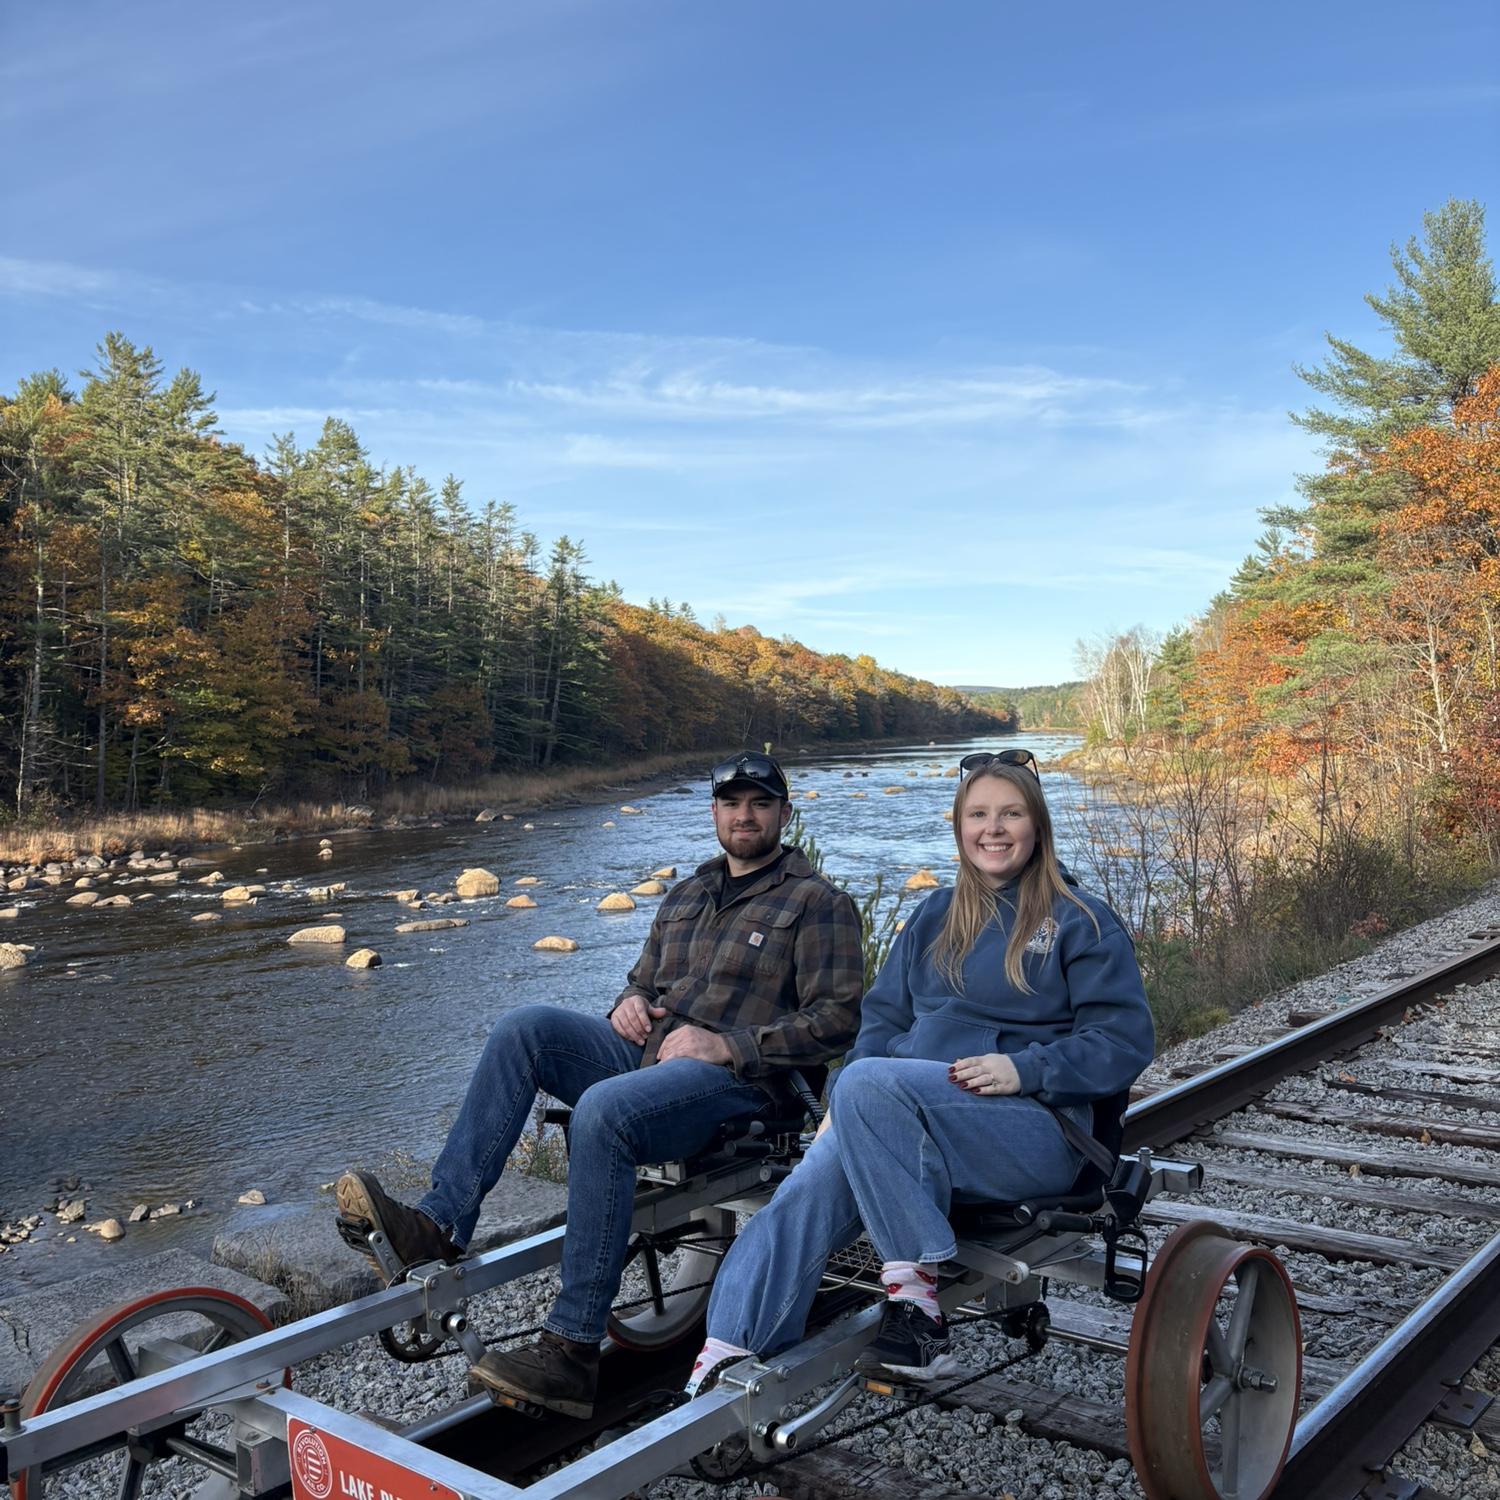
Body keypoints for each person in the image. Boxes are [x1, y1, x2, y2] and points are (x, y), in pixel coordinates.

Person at [334, 751, 863, 1418]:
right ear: (715, 813)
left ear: (784, 814)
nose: (745, 814)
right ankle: (438, 1227)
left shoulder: (818, 903)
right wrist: (629, 1004)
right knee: (526, 1028)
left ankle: (573, 1348)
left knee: (605, 1113)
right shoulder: (688, 895)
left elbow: (839, 1020)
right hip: (648, 1059)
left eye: (760, 803)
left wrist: (725, 1044)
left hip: (742, 1089)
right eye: (732, 803)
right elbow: (644, 981)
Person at [686, 748, 1154, 1393]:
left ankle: (916, 1307)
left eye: (1011, 813)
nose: (994, 828)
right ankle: (723, 1364)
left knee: (863, 1083)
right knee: (802, 1191)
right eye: (979, 814)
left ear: (1037, 825)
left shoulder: (1083, 919)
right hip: (901, 1118)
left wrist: (1026, 1068)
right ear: (960, 827)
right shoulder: (935, 913)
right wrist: (843, 1117)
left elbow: (1123, 1042)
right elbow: (881, 1025)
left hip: (1034, 1129)